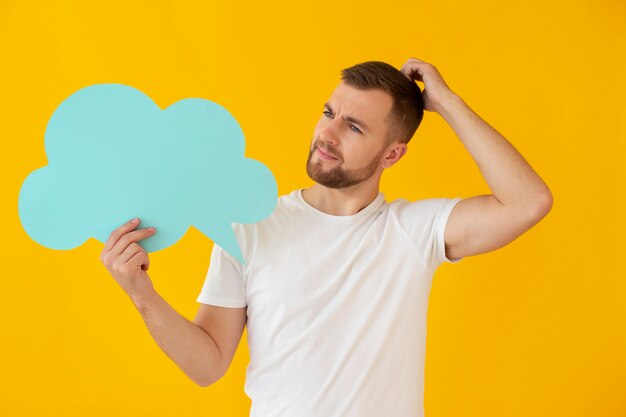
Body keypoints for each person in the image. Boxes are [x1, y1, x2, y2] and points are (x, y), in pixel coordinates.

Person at [100, 57, 553, 417]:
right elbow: (209, 364)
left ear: (392, 154)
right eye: (329, 113)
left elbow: (527, 202)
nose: (327, 134)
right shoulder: (248, 226)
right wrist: (142, 293)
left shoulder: (414, 231)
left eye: (354, 127)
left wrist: (447, 101)